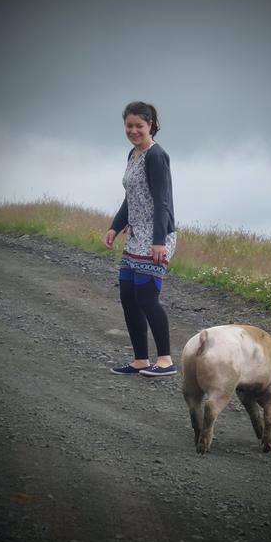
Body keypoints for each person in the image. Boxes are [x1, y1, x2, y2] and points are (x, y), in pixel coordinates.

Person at [104, 101, 177, 377]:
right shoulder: (132, 154)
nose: (133, 131)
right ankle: (140, 361)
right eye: (129, 125)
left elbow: (162, 201)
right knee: (128, 296)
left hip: (156, 236)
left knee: (147, 298)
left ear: (151, 126)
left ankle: (166, 361)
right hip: (135, 236)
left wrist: (159, 241)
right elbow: (131, 197)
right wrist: (115, 226)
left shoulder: (156, 155)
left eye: (139, 126)